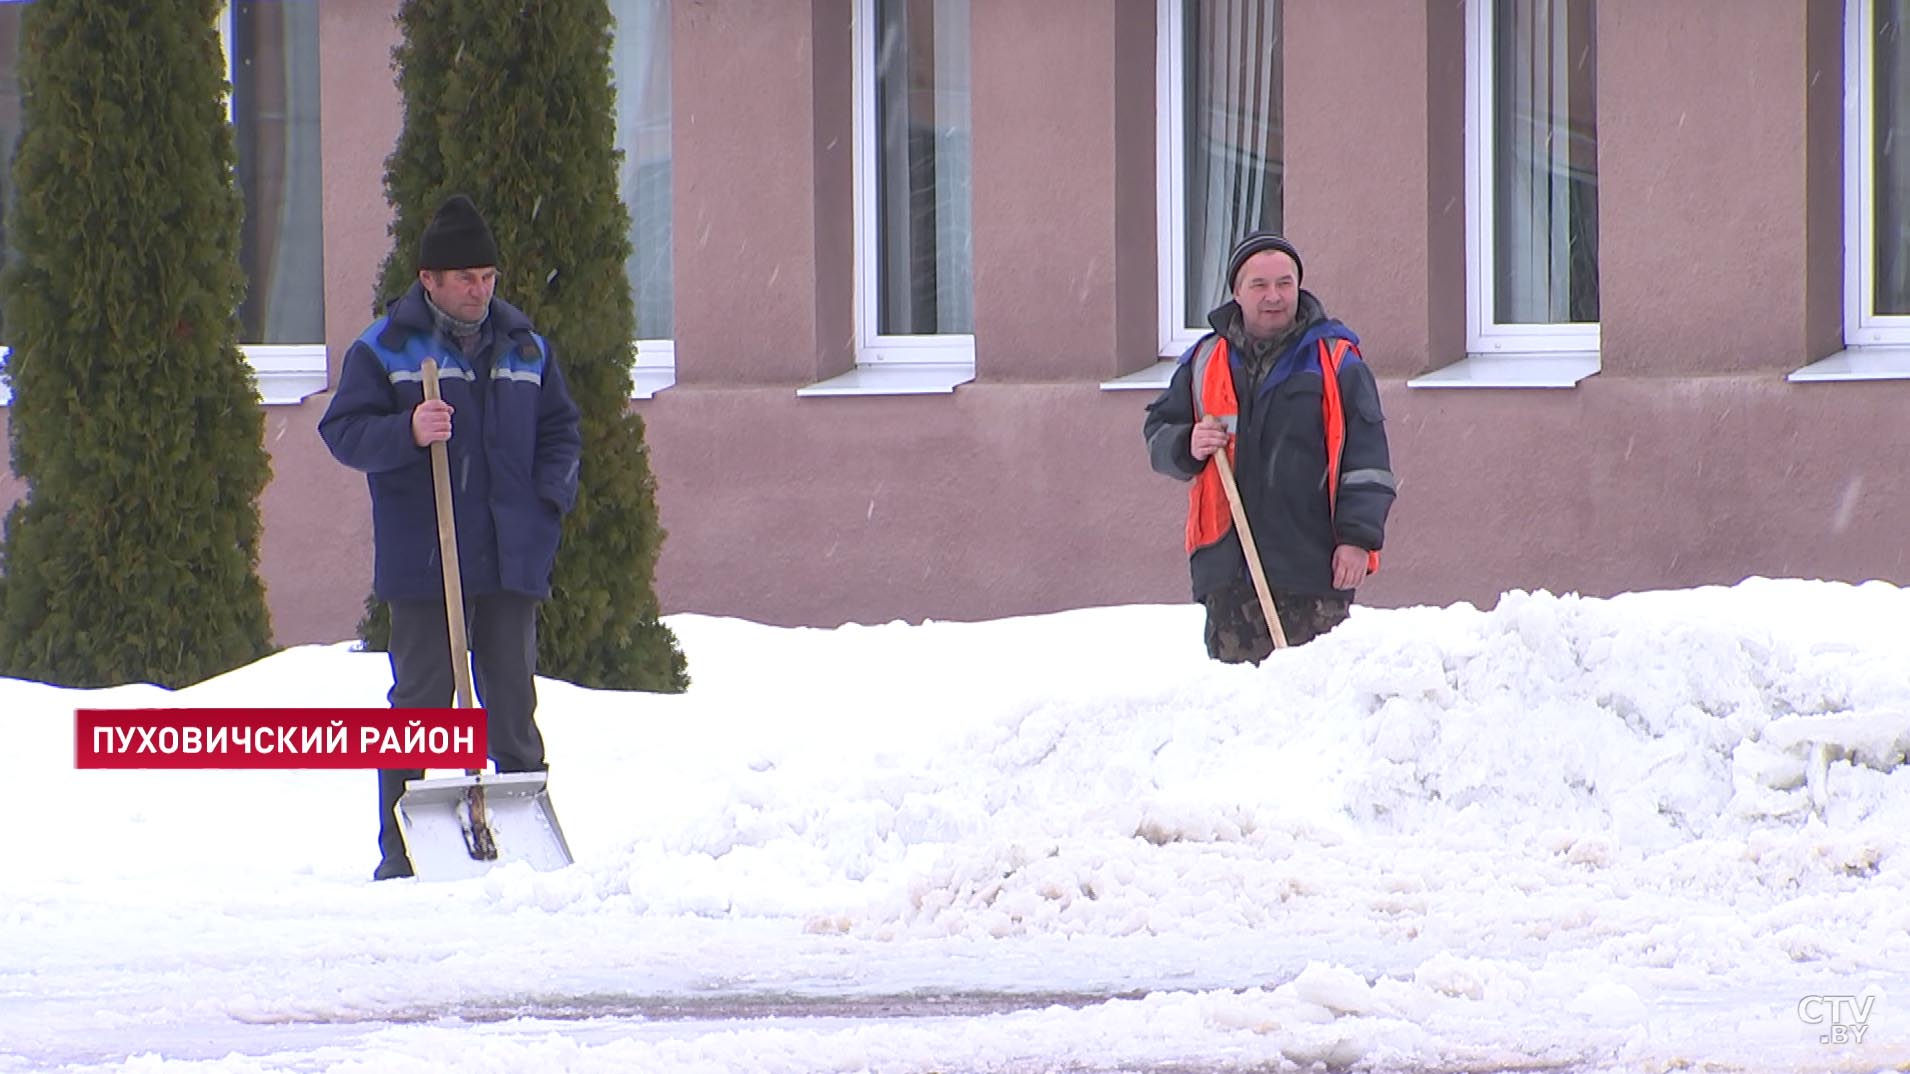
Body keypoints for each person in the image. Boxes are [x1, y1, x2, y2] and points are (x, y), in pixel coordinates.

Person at [319, 194, 582, 880]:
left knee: (513, 704)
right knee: (420, 704)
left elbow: (561, 433)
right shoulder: (386, 351)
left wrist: (548, 501)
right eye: (466, 278)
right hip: (427, 560)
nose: (480, 290)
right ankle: (400, 856)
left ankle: (526, 853)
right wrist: (405, 433)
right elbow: (341, 432)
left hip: (508, 556)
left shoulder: (526, 348)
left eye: (488, 277)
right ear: (429, 279)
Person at [1143, 231, 1395, 663]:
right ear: (1237, 293)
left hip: (1311, 571)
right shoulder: (1206, 361)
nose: (1274, 296)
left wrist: (1357, 538)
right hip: (1228, 573)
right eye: (1259, 285)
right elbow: (1158, 433)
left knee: (1314, 707)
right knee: (1246, 716)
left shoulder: (1335, 361)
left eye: (1285, 283)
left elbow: (1367, 459)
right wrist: (1188, 442)